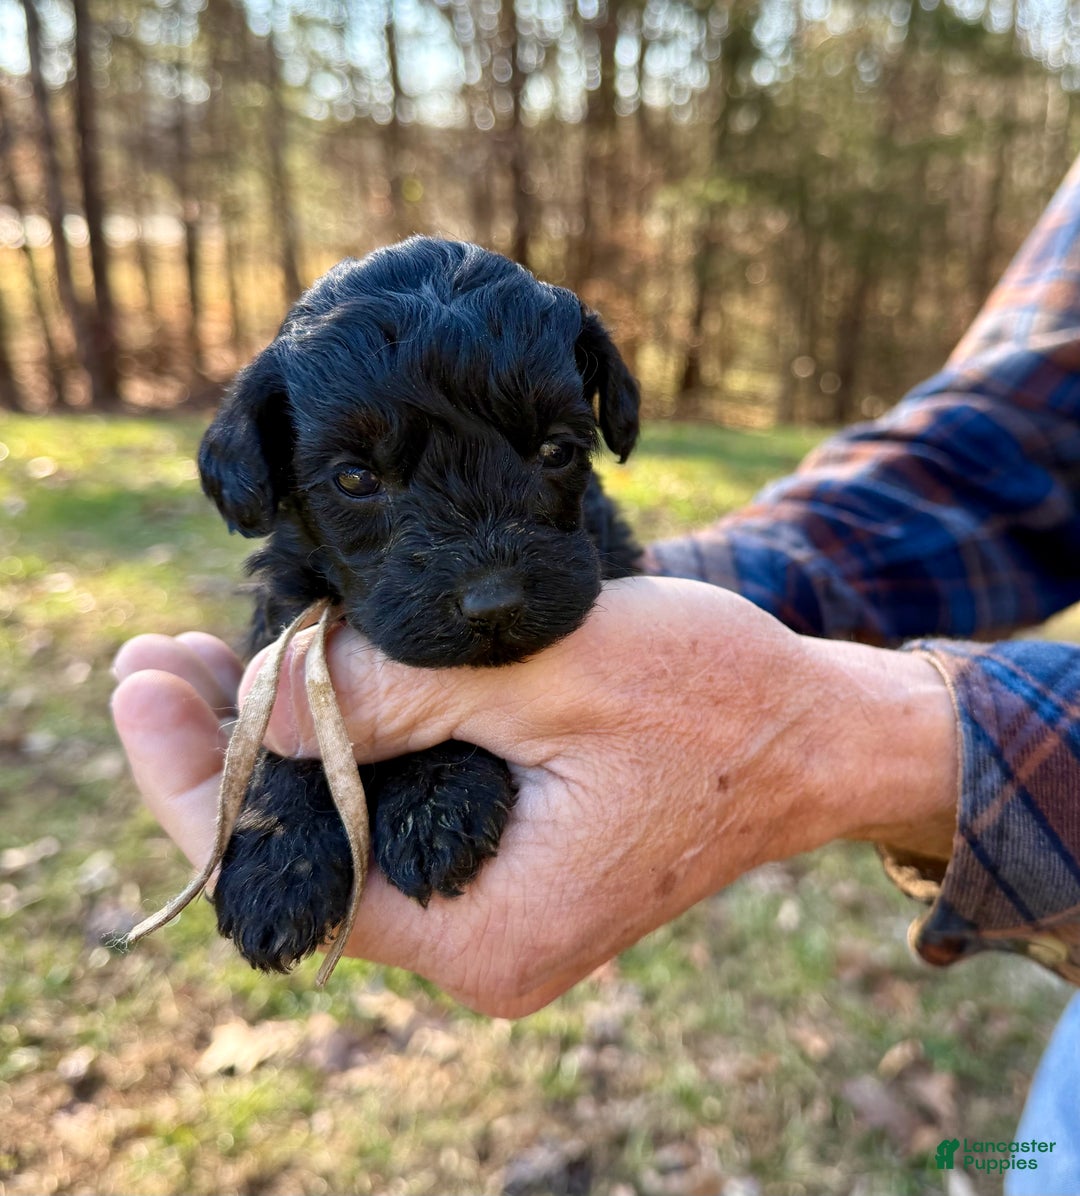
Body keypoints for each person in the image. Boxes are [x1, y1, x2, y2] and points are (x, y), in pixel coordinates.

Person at [112, 157, 1080, 1187]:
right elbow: (1006, 441)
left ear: (597, 417)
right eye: (361, 480)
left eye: (549, 456)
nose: (487, 583)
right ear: (272, 475)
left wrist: (867, 738)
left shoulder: (585, 548)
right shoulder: (288, 518)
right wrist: (282, 791)